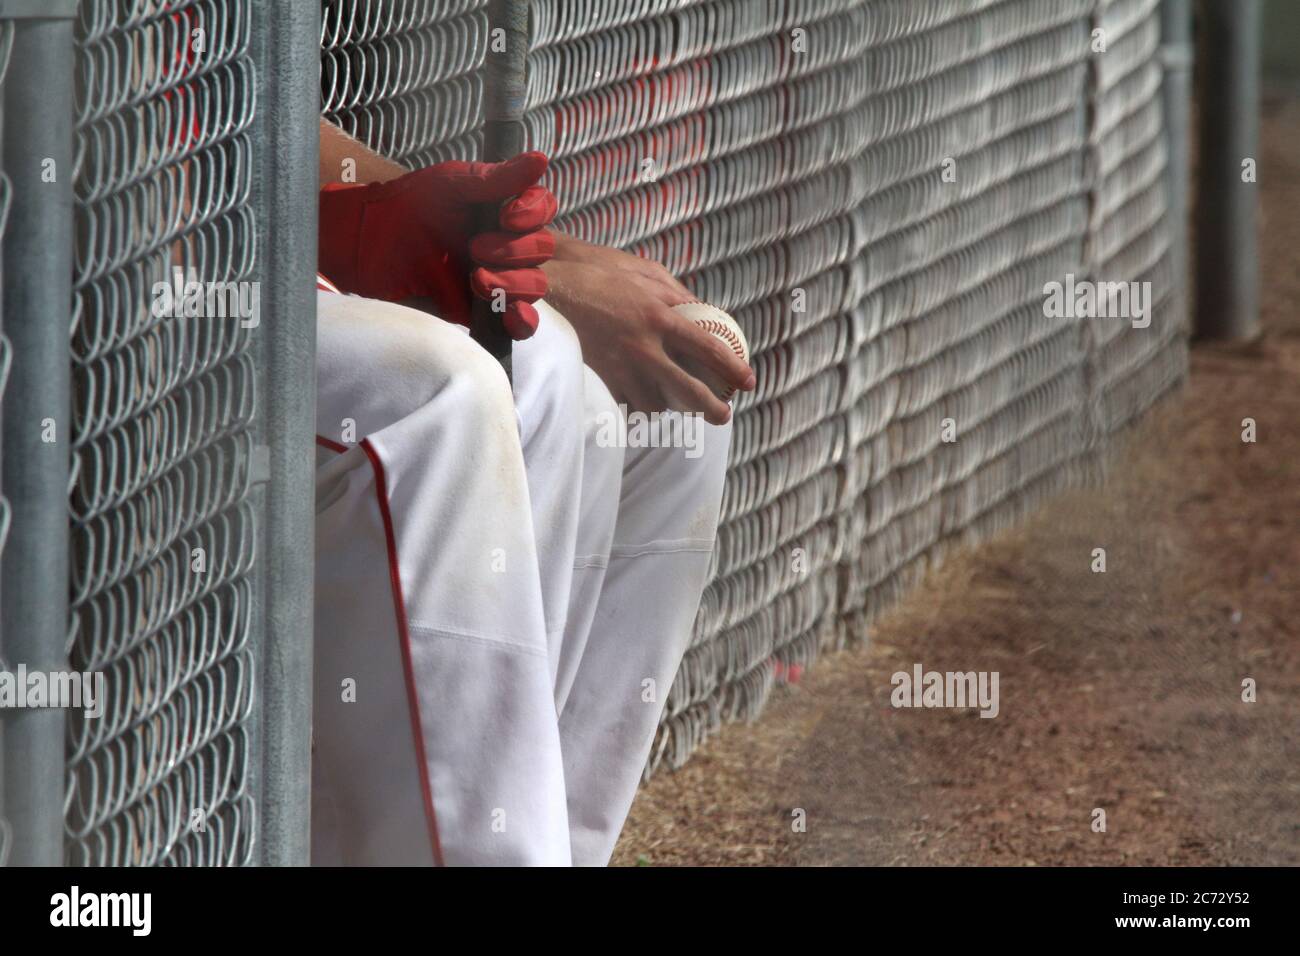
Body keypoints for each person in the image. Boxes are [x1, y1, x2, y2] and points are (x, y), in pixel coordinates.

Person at [309, 120, 755, 865]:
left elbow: (259, 102)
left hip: (276, 241)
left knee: (662, 417)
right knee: (451, 394)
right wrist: (338, 224)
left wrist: (397, 216)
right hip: (151, 293)